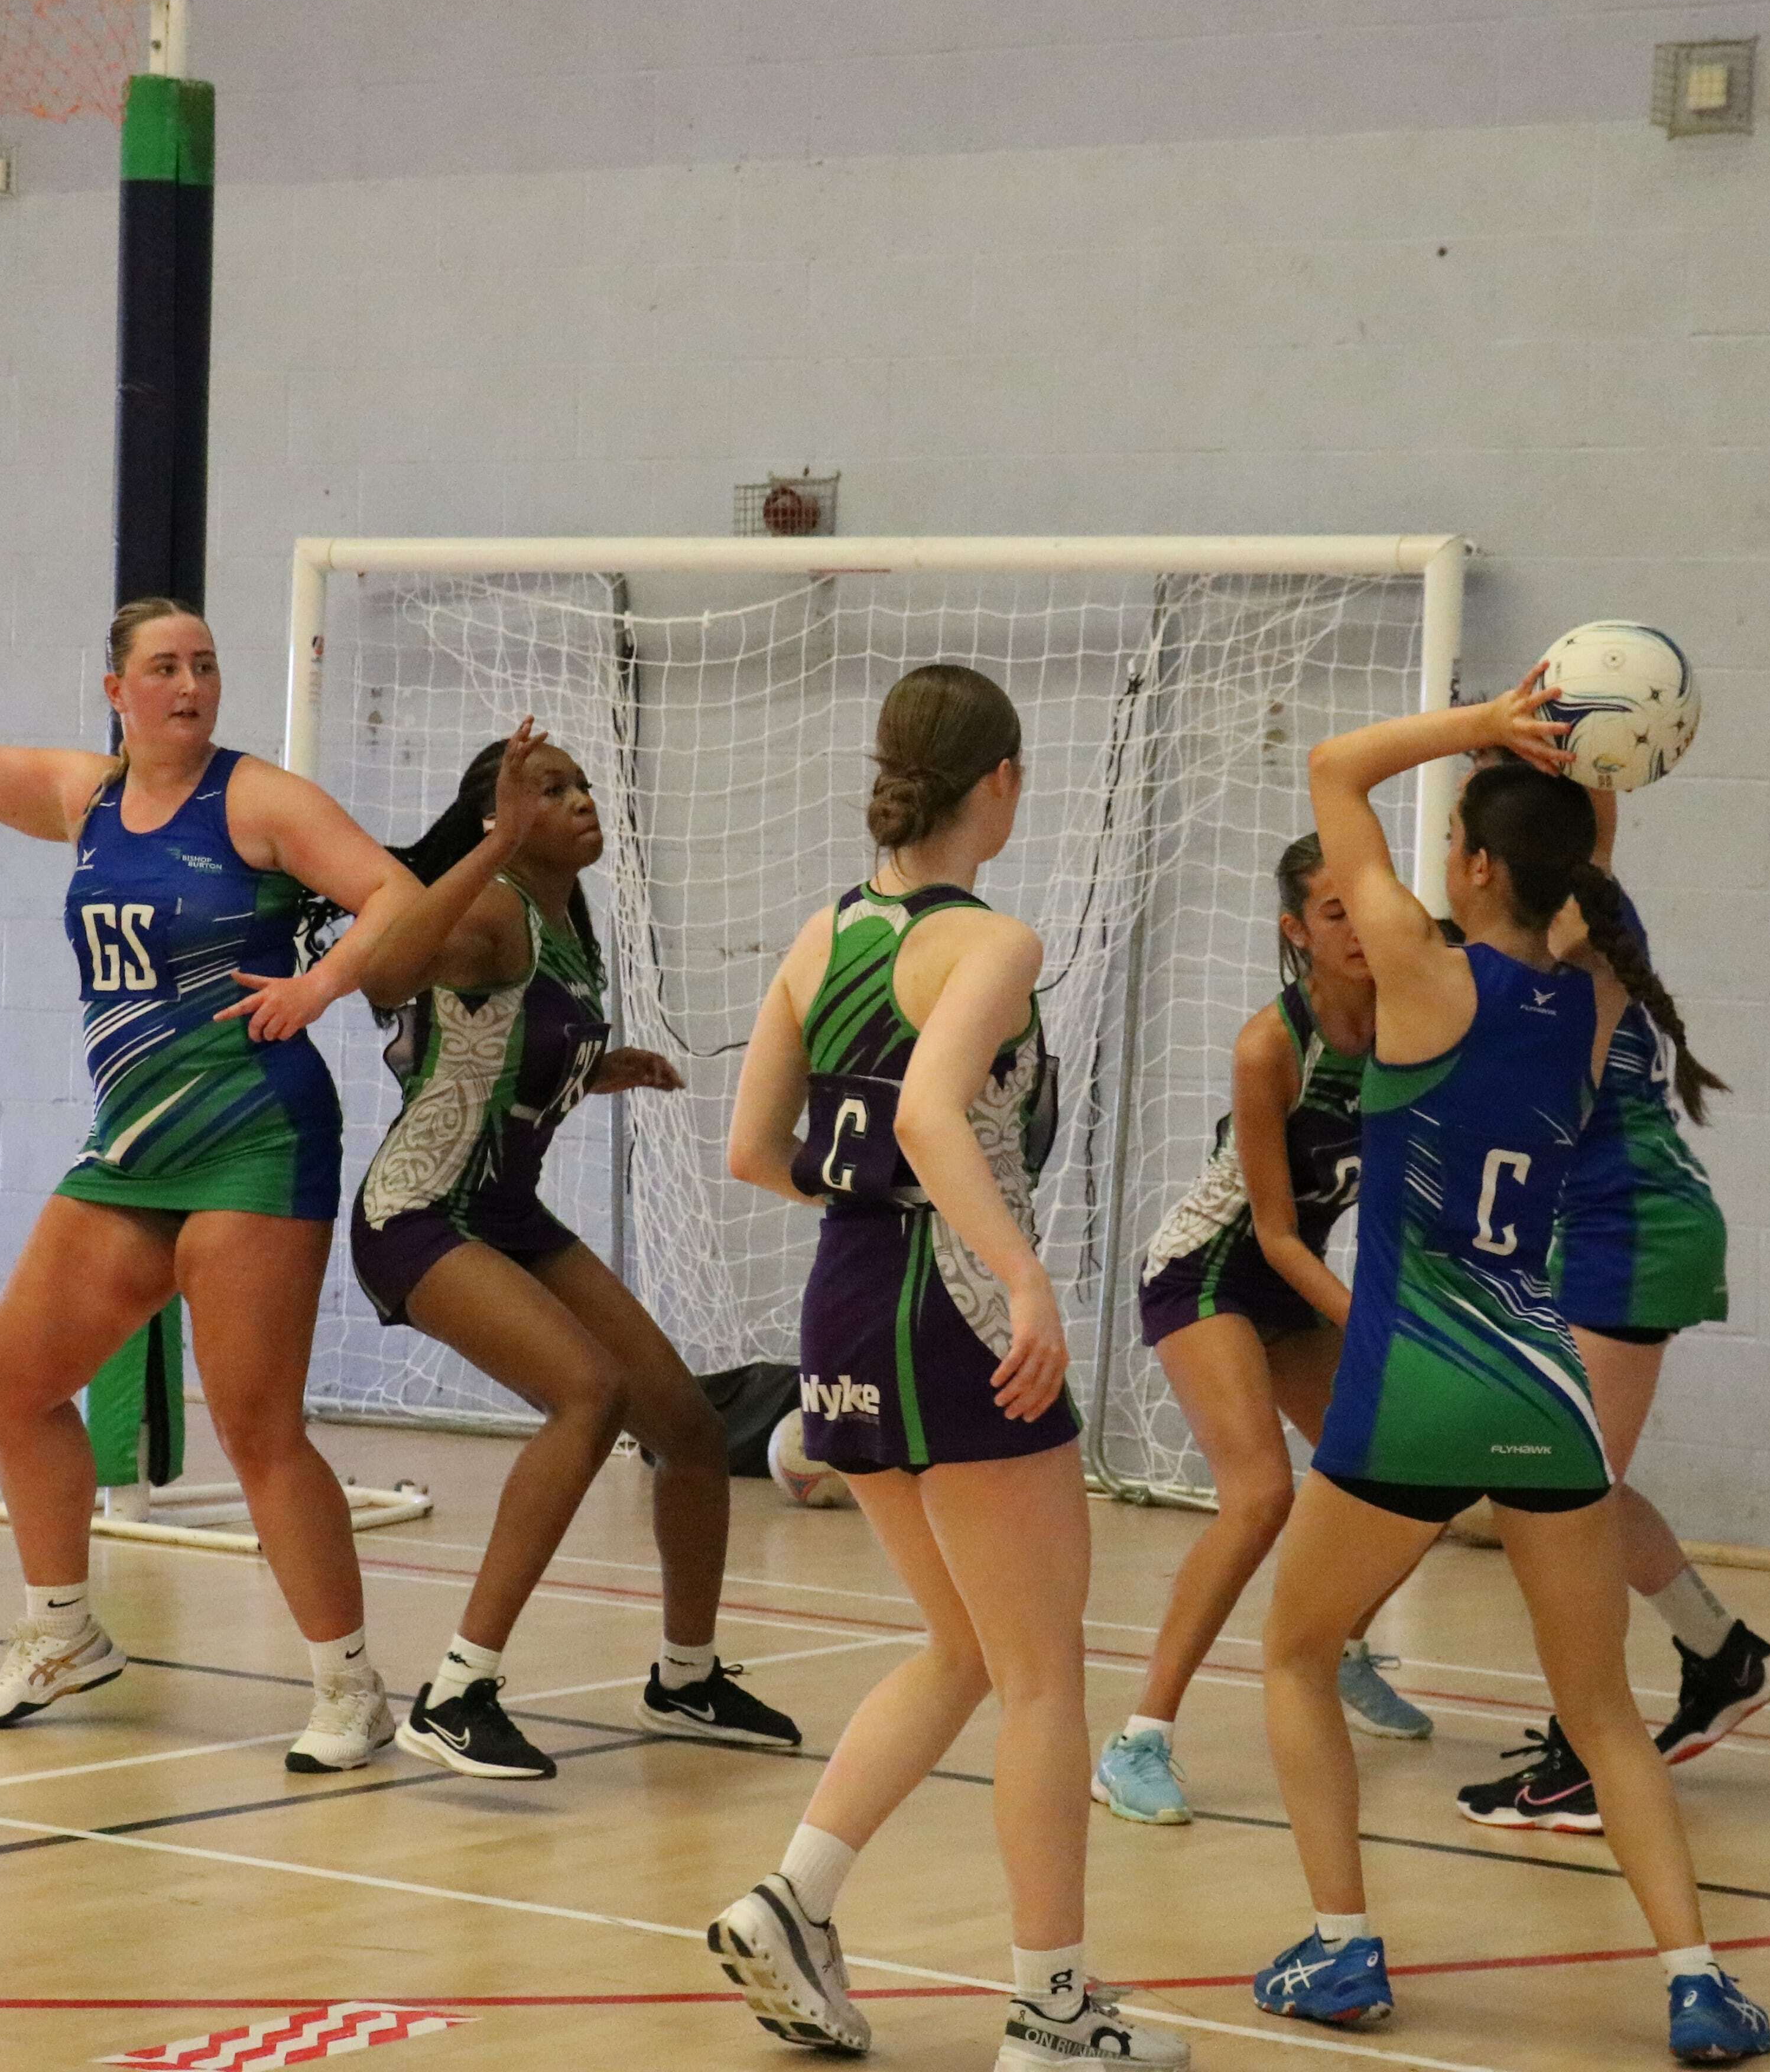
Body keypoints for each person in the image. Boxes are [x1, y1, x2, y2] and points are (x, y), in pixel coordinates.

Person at [0, 531, 417, 1772]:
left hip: (254, 1129)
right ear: (116, 690)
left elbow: (394, 893)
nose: (190, 684)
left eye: (206, 665)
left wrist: (320, 982)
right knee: (12, 1376)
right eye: (165, 665)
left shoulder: (261, 799)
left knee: (256, 1423)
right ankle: (63, 1630)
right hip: (133, 1144)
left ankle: (349, 1682)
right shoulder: (87, 797)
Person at [1247, 673, 1770, 2064]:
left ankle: (1346, 1944)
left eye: (1458, 844)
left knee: (1297, 1653)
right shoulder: (1595, 993)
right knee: (1602, 1708)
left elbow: (1336, 764)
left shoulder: (1418, 970)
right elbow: (1587, 856)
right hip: (1543, 1378)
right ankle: (1699, 1976)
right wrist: (1602, 752)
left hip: (1415, 1372)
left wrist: (1486, 719)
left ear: (1476, 863)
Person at [703, 664, 1186, 2071]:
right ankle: (1051, 2010)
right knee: (1045, 1675)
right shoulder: (995, 941)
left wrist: (883, 1222)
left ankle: (793, 1897)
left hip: (843, 1307)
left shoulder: (821, 935)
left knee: (967, 1647)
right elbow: (927, 1112)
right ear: (1003, 783)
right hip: (955, 1310)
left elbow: (752, 1150)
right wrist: (1018, 1270)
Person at [340, 720, 802, 1777]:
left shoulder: (568, 919)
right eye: (551, 789)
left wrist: (602, 1068)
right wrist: (495, 843)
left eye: (582, 782)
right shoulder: (496, 907)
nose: (582, 798)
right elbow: (382, 977)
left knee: (686, 1426)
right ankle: (457, 1691)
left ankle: (687, 1679)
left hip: (505, 1210)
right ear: (503, 817)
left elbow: (502, 1045)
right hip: (420, 1213)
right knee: (587, 1395)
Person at [1459, 782, 1770, 1835]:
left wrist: (1552, 751)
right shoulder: (1589, 913)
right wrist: (1561, 749)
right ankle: (1722, 1653)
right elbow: (1591, 832)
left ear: (1489, 864)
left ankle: (1583, 1753)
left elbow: (1585, 833)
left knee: (1558, 1501)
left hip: (1629, 1229)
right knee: (1569, 1490)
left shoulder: (1544, 959)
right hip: (1612, 1227)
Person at [1094, 834, 1434, 1831]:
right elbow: (1278, 1233)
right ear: (1298, 932)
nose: (1362, 928)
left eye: (1370, 905)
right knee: (1260, 1497)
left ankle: (1344, 1647)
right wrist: (1373, 1323)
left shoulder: (1414, 1021)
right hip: (1212, 1271)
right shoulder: (1270, 1047)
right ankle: (1137, 1740)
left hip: (1297, 1280)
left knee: (1412, 1470)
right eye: (1336, 915)